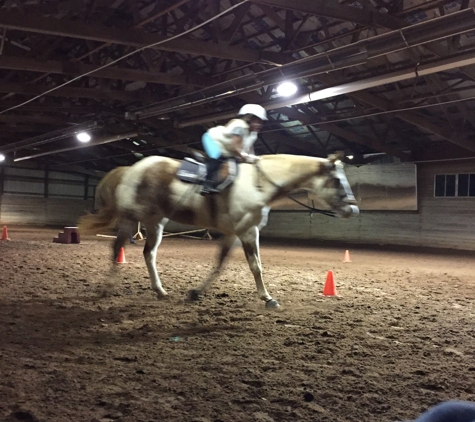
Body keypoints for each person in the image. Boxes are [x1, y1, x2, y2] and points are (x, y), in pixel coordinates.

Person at [200, 104, 267, 195]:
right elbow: (234, 148)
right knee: (216, 156)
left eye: (261, 123)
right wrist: (245, 157)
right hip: (212, 139)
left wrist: (252, 158)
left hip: (227, 149)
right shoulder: (240, 127)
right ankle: (206, 185)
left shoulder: (253, 134)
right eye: (257, 122)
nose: (260, 125)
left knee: (234, 169)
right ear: (248, 119)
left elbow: (249, 149)